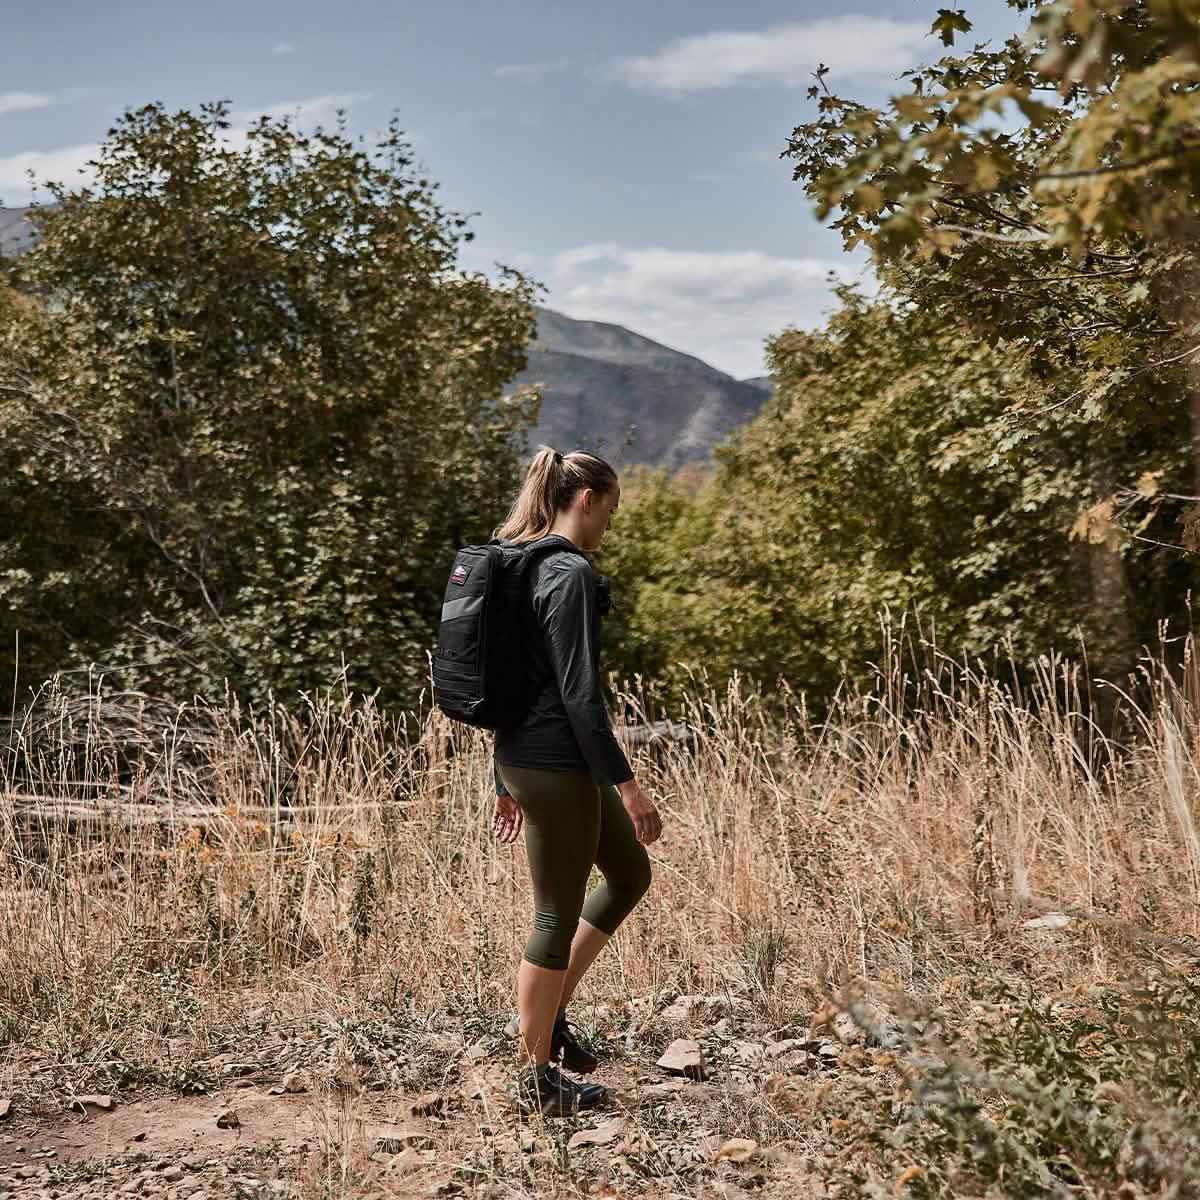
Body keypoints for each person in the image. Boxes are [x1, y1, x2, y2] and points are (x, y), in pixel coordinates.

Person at [490, 446, 663, 1116]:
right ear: (586, 498)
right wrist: (628, 785)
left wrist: (499, 775)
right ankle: (535, 1076)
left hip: (533, 758)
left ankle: (548, 1017)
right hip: (555, 763)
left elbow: (510, 682)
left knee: (628, 874)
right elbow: (579, 696)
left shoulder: (521, 562)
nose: (610, 525)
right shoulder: (567, 573)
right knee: (555, 914)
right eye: (611, 510)